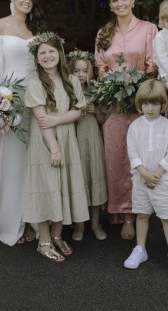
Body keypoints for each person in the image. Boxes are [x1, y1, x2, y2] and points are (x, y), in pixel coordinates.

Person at [95, 0, 157, 239]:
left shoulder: (148, 29)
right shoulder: (104, 32)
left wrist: (138, 92)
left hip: (141, 106)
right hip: (114, 109)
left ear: (133, 1)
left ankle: (140, 211)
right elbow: (100, 66)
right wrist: (112, 88)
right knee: (117, 160)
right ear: (110, 5)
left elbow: (153, 66)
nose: (120, 3)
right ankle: (124, 215)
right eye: (114, 0)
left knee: (139, 160)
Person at [0, 0, 45, 246]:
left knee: (34, 158)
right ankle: (13, 220)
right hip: (10, 99)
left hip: (35, 98)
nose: (27, 1)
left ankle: (34, 218)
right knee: (13, 160)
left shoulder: (34, 30)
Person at [23, 33, 89, 262]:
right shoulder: (35, 83)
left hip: (67, 139)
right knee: (46, 187)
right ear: (37, 59)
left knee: (64, 185)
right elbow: (42, 121)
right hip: (46, 142)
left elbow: (79, 110)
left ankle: (57, 234)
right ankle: (44, 241)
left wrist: (57, 119)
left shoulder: (71, 79)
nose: (48, 56)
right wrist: (54, 149)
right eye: (42, 53)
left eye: (51, 51)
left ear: (60, 54)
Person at [124, 79, 168, 277]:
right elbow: (132, 152)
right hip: (140, 180)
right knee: (141, 215)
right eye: (146, 104)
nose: (150, 108)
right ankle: (140, 249)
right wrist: (143, 173)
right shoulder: (135, 126)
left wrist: (157, 173)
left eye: (155, 104)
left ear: (163, 104)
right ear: (140, 104)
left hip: (163, 181)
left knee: (167, 218)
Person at [68, 50, 107, 241]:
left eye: (85, 71)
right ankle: (79, 224)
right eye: (77, 71)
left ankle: (95, 223)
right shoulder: (69, 92)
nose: (81, 74)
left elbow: (102, 119)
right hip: (75, 138)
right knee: (79, 180)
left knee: (94, 176)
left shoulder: (95, 91)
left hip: (92, 138)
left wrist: (96, 110)